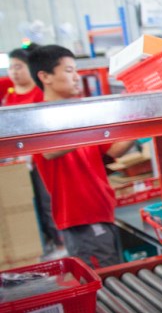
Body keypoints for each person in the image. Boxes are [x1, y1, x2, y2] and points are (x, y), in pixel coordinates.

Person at [29, 45, 134, 269]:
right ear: (45, 77)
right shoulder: (39, 118)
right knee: (104, 280)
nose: (77, 77)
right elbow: (49, 151)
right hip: (82, 220)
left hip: (101, 212)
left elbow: (112, 150)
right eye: (69, 71)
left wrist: (138, 119)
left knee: (113, 274)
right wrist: (92, 124)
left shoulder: (77, 115)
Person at [3, 44, 62, 253]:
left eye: (19, 66)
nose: (14, 72)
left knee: (46, 201)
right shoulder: (9, 95)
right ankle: (43, 240)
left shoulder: (40, 94)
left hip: (40, 158)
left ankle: (57, 240)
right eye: (11, 67)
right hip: (17, 161)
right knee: (28, 203)